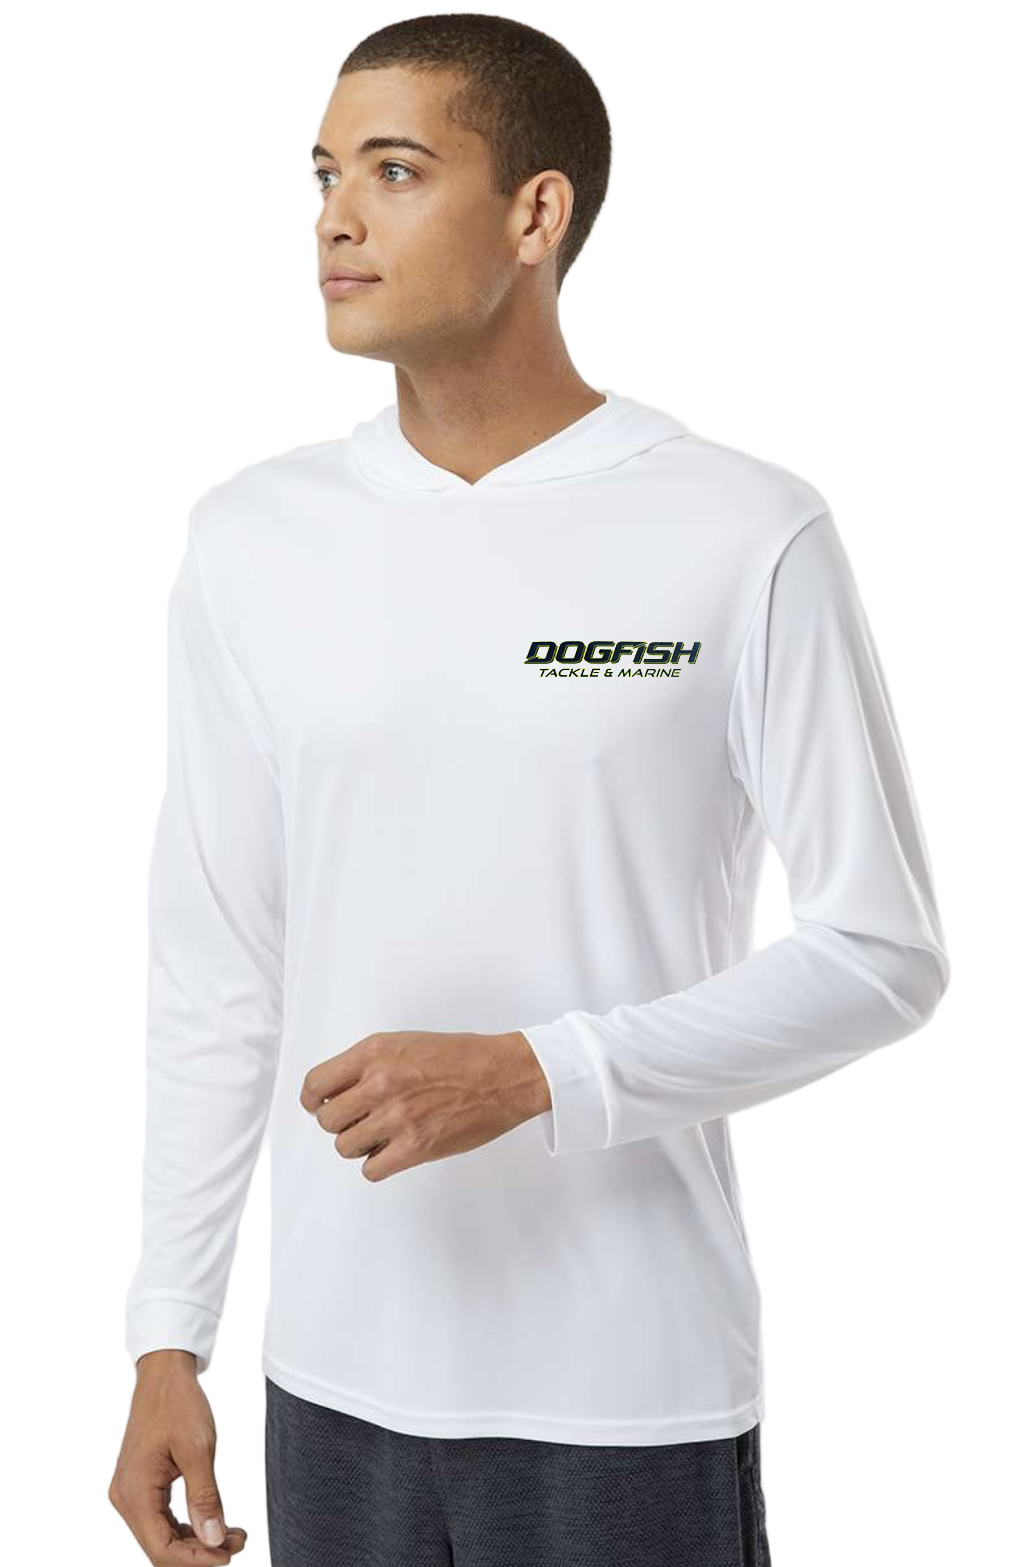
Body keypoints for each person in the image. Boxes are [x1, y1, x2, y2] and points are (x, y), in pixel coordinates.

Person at [108, 14, 951, 1566]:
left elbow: (882, 952)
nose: (335, 219)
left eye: (395, 170)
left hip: (627, 1388)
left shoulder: (741, 530)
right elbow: (216, 966)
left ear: (535, 213)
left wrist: (541, 1072)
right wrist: (170, 1328)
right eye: (322, 175)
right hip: (332, 1382)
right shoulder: (252, 539)